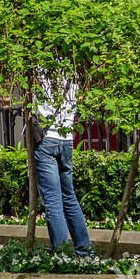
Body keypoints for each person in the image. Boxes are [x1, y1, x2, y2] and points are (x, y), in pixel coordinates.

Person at [33, 72, 94, 256]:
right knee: (69, 196)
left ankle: (62, 254)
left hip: (46, 138)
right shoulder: (73, 68)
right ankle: (84, 251)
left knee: (52, 200)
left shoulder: (39, 67)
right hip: (66, 138)